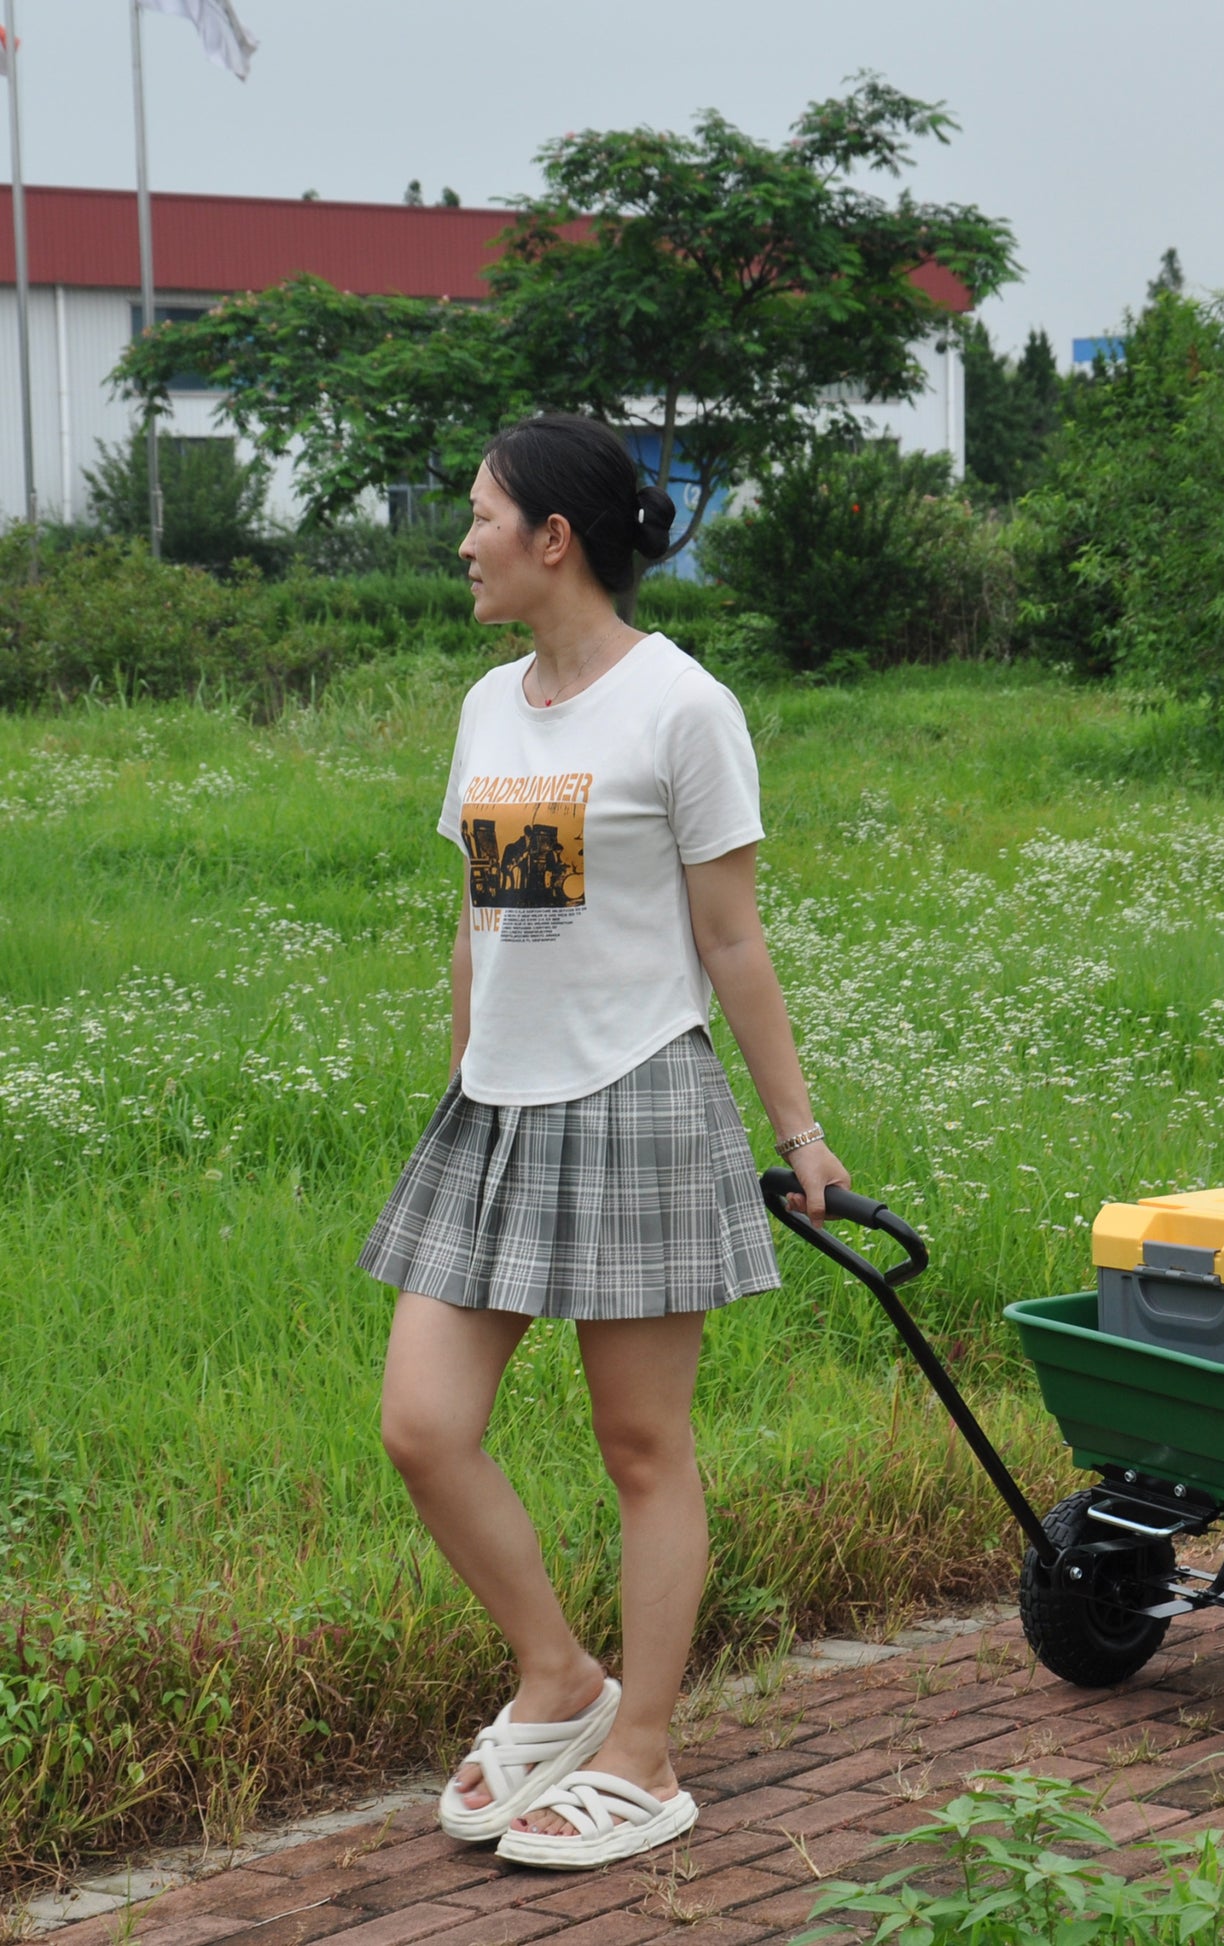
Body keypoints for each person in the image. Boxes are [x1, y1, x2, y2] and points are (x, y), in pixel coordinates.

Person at [360, 414, 848, 1872]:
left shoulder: (681, 709)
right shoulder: (488, 705)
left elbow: (732, 937)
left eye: (481, 517)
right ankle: (561, 1678)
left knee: (642, 1446)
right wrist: (463, 1063)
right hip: (495, 1113)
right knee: (423, 1426)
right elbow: (485, 914)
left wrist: (798, 1129)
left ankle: (643, 1752)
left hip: (637, 1101)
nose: (462, 543)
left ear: (553, 539)